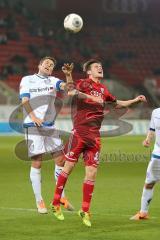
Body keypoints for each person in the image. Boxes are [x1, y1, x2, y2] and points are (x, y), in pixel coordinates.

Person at [50, 59, 147, 227]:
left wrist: (135, 100)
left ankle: (85, 211)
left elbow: (117, 104)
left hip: (94, 137)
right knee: (68, 168)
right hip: (79, 133)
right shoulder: (84, 83)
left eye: (100, 66)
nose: (100, 68)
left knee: (92, 174)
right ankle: (55, 202)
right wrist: (68, 75)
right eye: (96, 67)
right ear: (89, 72)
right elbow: (72, 92)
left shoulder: (103, 89)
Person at [19, 56, 102, 214]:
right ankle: (39, 201)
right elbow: (24, 100)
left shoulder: (52, 81)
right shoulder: (27, 79)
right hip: (33, 125)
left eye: (51, 65)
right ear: (39, 64)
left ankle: (61, 197)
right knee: (37, 163)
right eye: (46, 63)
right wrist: (34, 117)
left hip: (49, 126)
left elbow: (70, 89)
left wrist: (68, 74)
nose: (49, 66)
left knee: (61, 161)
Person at [130, 108, 160, 220]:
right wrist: (148, 139)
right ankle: (143, 213)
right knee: (149, 182)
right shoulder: (156, 112)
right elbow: (152, 129)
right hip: (157, 154)